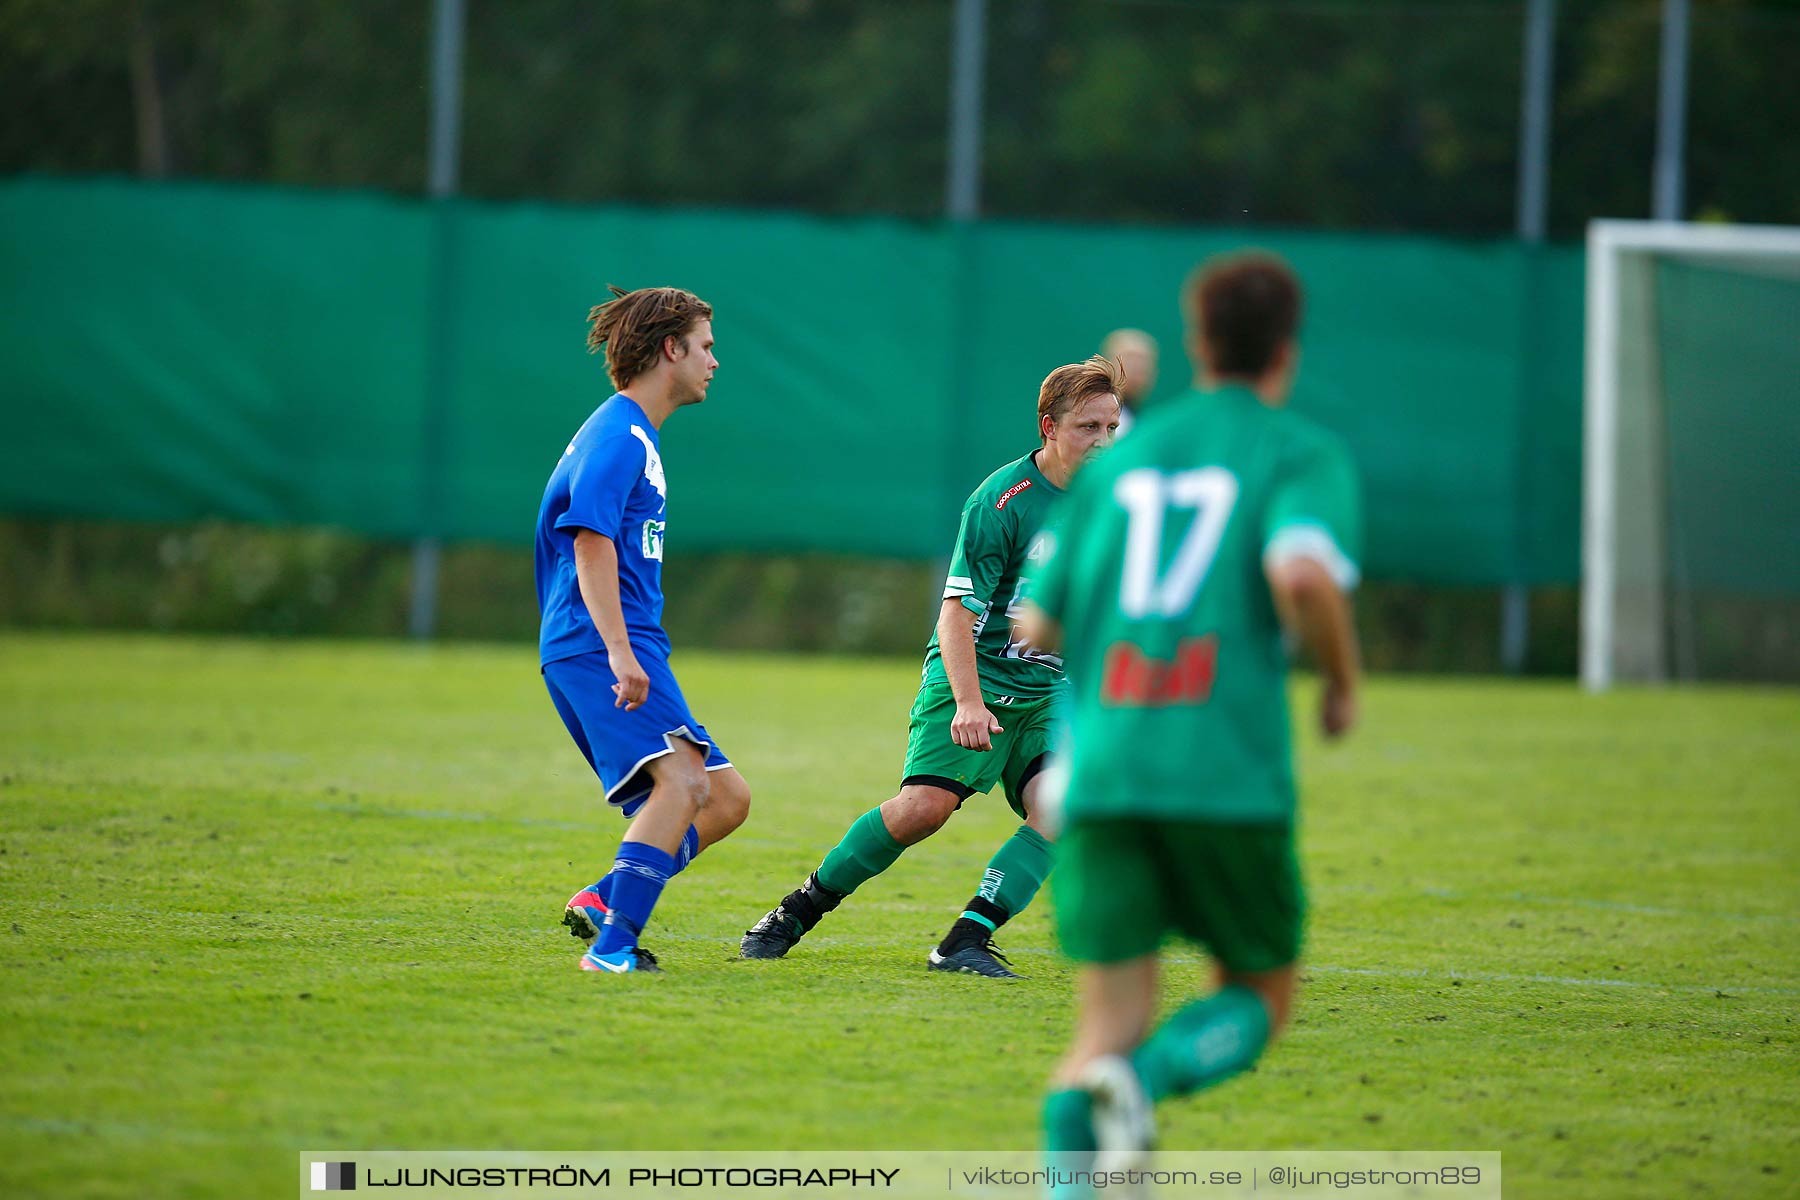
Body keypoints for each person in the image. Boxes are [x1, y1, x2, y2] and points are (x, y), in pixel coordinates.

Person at [1029, 254, 1362, 1178]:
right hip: (1221, 772)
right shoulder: (1299, 452)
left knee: (1098, 1032)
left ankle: (1104, 1113)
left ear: (1197, 343)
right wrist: (1341, 680)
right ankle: (1152, 1079)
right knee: (1259, 991)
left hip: (1102, 774)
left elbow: (1039, 618)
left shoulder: (1117, 463)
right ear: (1286, 350)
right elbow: (1300, 570)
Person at [738, 357, 1124, 977]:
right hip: (976, 673)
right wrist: (970, 703)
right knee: (923, 810)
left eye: (1112, 427)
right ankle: (794, 912)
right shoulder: (1003, 501)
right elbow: (955, 614)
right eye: (1088, 428)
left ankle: (965, 940)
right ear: (1049, 427)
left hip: (1051, 687)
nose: (1104, 442)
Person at [535, 285, 752, 975]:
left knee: (725, 798)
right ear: (670, 349)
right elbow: (588, 540)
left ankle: (606, 901)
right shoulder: (620, 435)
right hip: (600, 644)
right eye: (706, 346)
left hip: (620, 642)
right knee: (684, 784)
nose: (715, 361)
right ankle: (613, 948)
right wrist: (622, 654)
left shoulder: (633, 434)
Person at [1100, 329, 1158, 434]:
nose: (1138, 367)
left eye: (1145, 361)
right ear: (1106, 364)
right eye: (1129, 358)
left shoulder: (1137, 418)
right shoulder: (1093, 415)